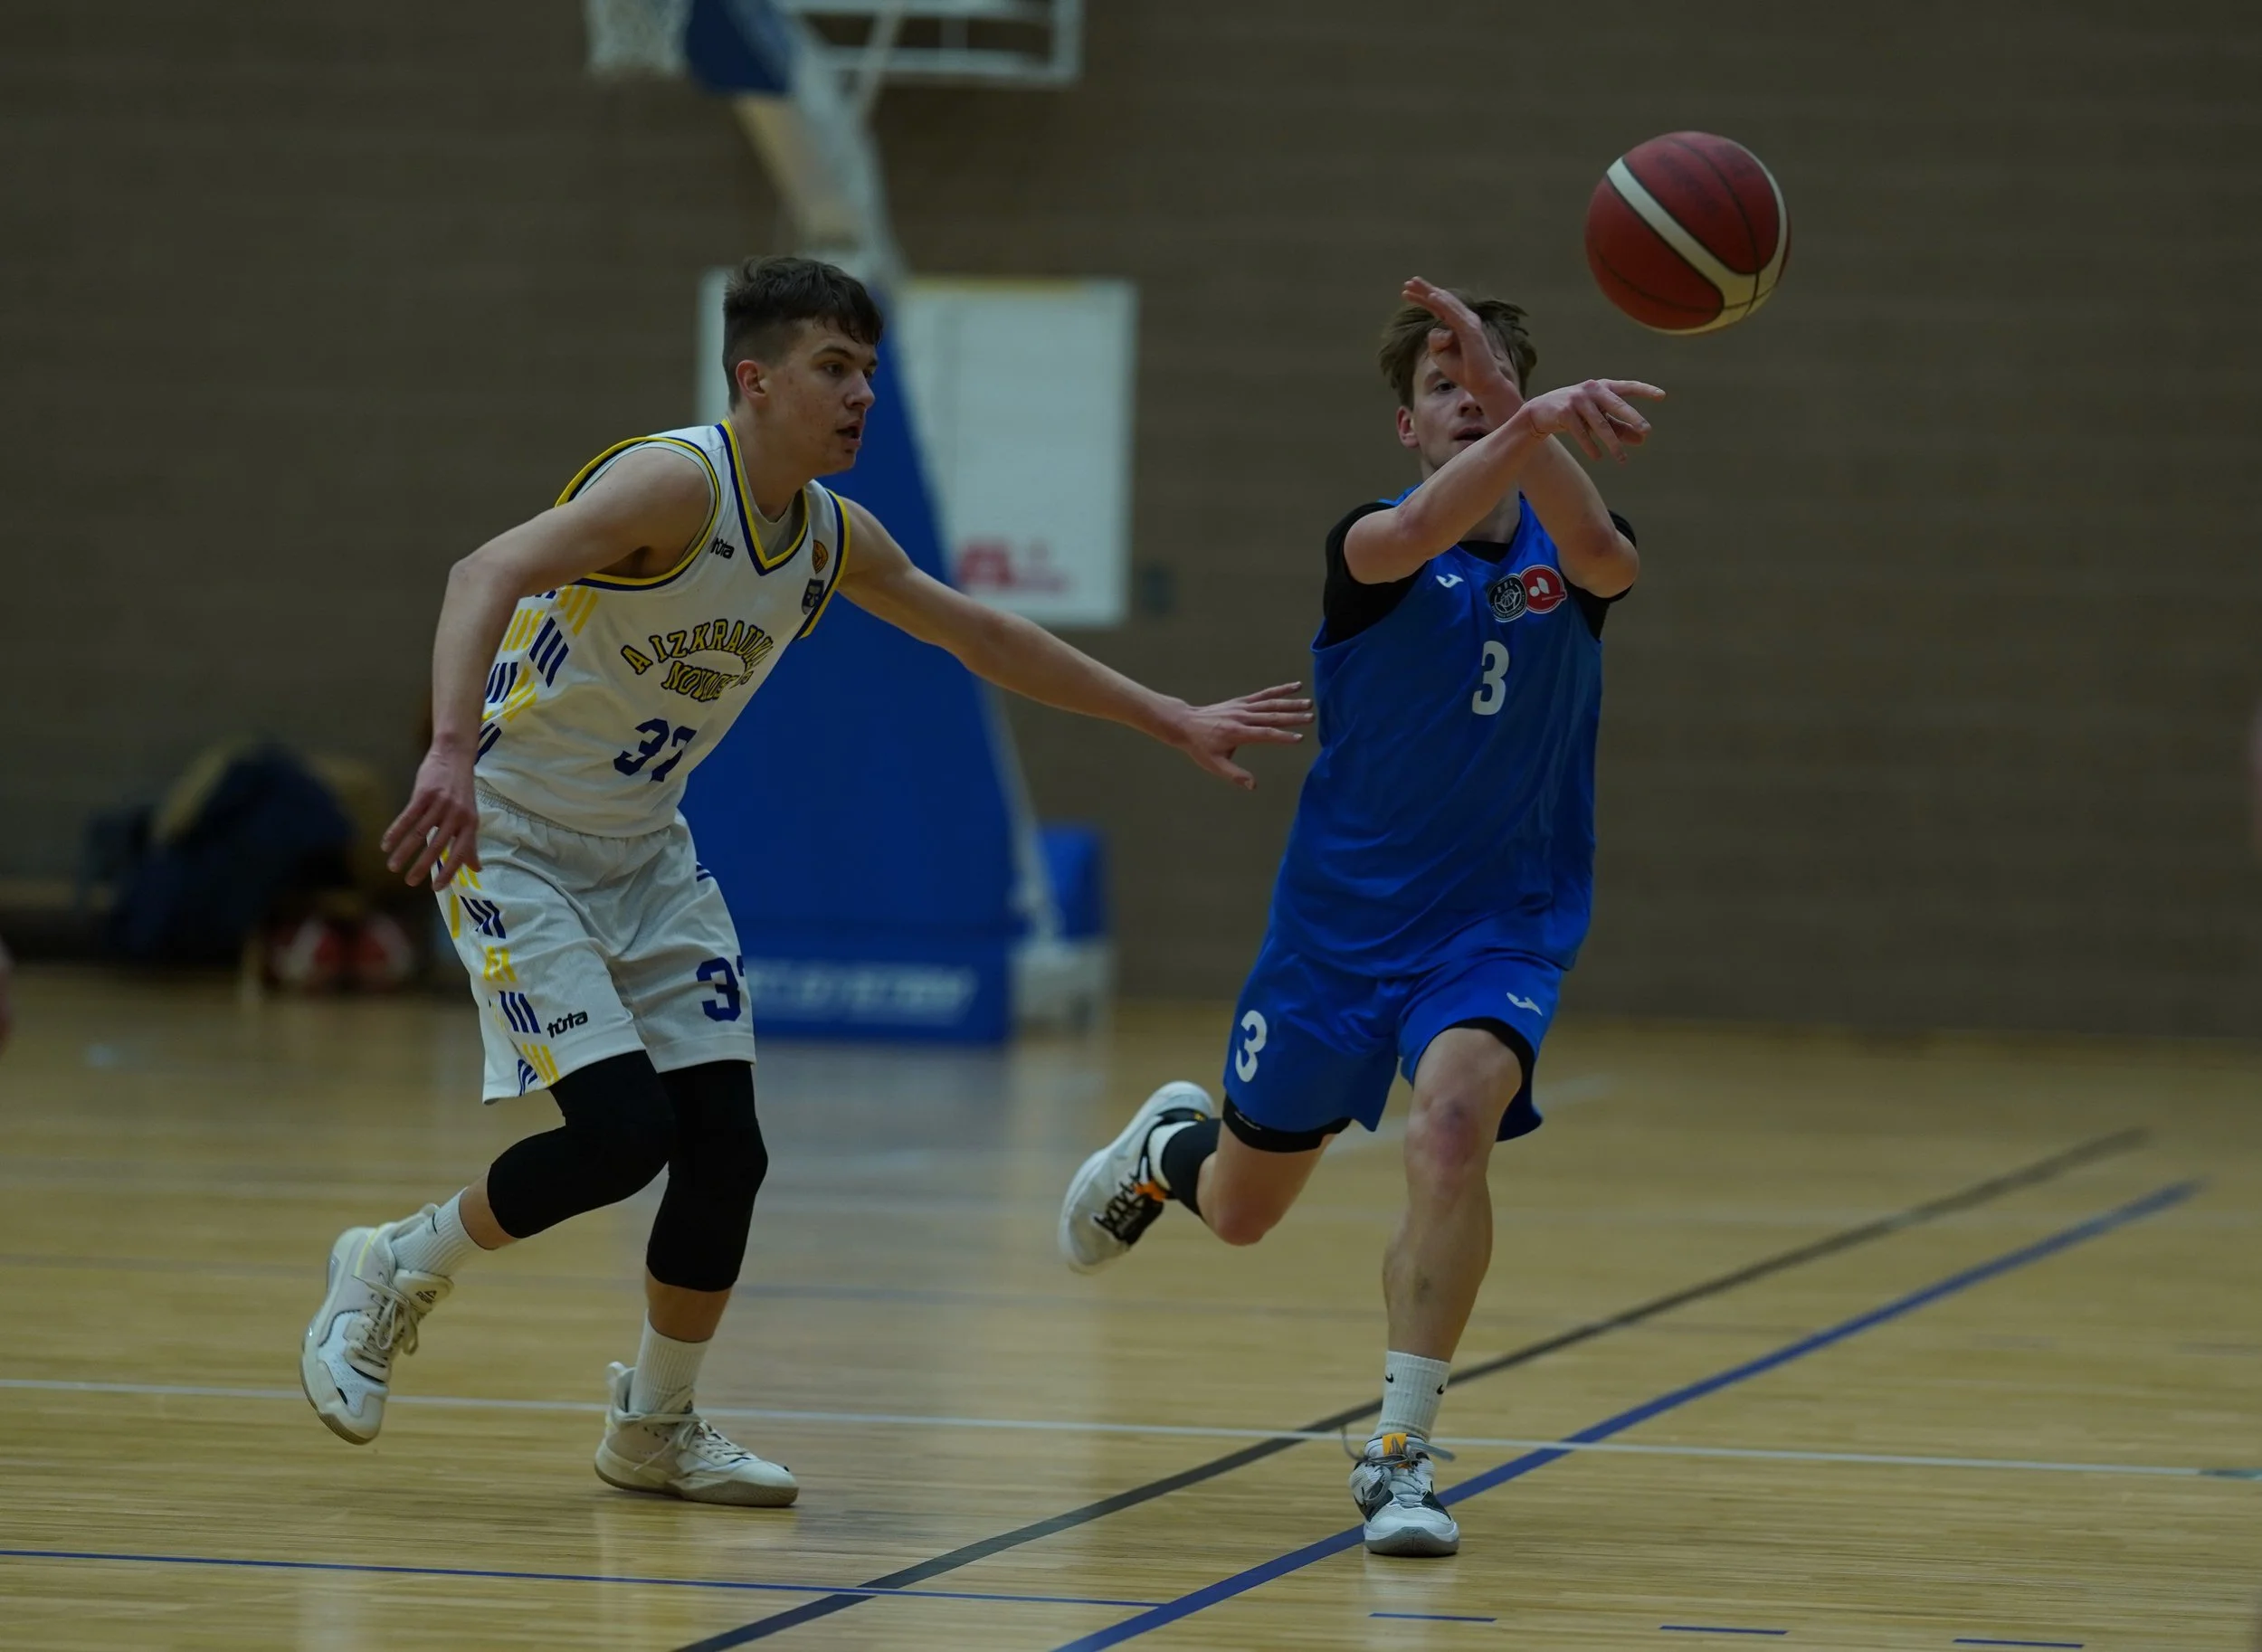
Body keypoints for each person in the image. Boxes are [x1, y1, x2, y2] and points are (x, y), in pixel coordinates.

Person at [300, 255, 1311, 1506]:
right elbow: (481, 573)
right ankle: (395, 1262)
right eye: (835, 368)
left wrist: (1169, 715)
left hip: (645, 849)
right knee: (623, 1138)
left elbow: (982, 634)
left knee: (726, 1151)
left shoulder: (831, 537)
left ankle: (655, 1426)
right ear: (756, 380)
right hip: (513, 836)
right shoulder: (673, 484)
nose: (861, 395)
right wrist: (450, 752)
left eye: (870, 372)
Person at [1057, 279, 1661, 1556]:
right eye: (1444, 387)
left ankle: (1398, 1455)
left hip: (1498, 924)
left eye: (1485, 383)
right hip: (1340, 932)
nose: (1469, 403)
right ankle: (1167, 1148)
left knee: (1452, 1128)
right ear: (1407, 423)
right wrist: (1526, 414)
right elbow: (1427, 525)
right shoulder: (1373, 545)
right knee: (1241, 1210)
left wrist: (1525, 415)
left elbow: (1608, 556)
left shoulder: (1573, 547)